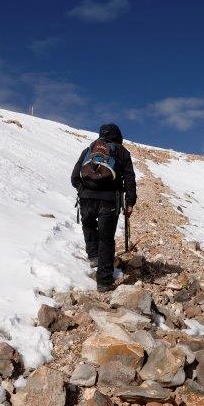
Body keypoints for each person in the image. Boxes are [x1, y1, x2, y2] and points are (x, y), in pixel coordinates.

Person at [71, 123, 136, 291]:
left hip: (86, 198)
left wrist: (82, 190)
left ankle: (94, 256)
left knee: (88, 225)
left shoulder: (89, 150)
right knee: (106, 239)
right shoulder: (122, 152)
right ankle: (104, 281)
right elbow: (129, 178)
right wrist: (130, 202)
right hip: (109, 200)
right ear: (118, 136)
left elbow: (74, 177)